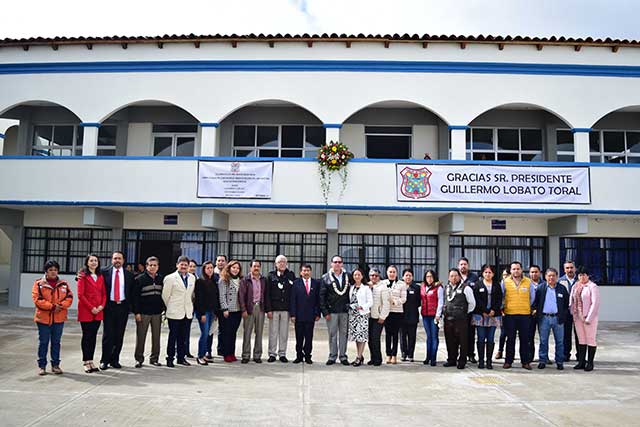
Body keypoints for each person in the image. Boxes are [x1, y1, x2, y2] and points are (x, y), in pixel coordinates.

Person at [33, 260, 73, 375]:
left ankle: (55, 365)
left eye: (55, 270)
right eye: (50, 270)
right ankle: (42, 366)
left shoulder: (64, 284)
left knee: (56, 342)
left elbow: (69, 298)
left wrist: (60, 306)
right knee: (43, 342)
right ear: (46, 271)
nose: (53, 272)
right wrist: (51, 307)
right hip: (43, 319)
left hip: (59, 318)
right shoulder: (38, 284)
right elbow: (37, 300)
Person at [100, 251, 134, 370]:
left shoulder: (129, 275)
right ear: (111, 260)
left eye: (119, 258)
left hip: (122, 307)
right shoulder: (104, 272)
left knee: (119, 335)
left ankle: (115, 359)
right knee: (108, 335)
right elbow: (89, 273)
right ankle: (104, 360)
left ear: (123, 260)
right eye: (115, 258)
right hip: (109, 307)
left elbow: (132, 292)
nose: (117, 261)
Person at [532, 267, 569, 370]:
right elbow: (536, 303)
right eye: (549, 275)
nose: (551, 277)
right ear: (545, 277)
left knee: (560, 342)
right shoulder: (541, 288)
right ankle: (542, 360)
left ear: (557, 277)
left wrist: (563, 315)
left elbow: (566, 304)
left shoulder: (562, 288)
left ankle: (559, 362)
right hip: (544, 318)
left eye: (553, 275)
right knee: (543, 341)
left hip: (558, 318)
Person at [162, 256, 196, 367]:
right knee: (173, 337)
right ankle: (170, 358)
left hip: (187, 312)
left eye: (186, 265)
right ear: (177, 265)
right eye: (181, 264)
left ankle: (181, 358)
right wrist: (170, 306)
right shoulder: (170, 278)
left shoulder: (192, 278)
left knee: (183, 337)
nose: (184, 266)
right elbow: (165, 296)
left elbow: (190, 295)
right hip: (174, 311)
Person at [502, 261, 536, 370]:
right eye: (513, 269)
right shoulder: (505, 282)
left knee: (525, 339)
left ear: (521, 270)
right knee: (510, 339)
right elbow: (502, 297)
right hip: (510, 315)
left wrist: (526, 306)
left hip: (525, 315)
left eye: (518, 269)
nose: (516, 271)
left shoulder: (528, 282)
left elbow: (532, 298)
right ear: (510, 271)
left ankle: (525, 362)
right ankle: (508, 361)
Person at [132, 256, 165, 368]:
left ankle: (154, 358)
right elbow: (135, 298)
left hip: (157, 313)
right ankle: (139, 359)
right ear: (146, 266)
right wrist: (136, 313)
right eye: (150, 265)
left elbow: (164, 297)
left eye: (155, 265)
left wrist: (163, 311)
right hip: (143, 313)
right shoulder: (139, 279)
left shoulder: (161, 279)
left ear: (158, 267)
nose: (152, 267)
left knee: (156, 337)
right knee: (141, 337)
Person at [320, 254, 351, 366]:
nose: (337, 264)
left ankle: (343, 356)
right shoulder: (325, 278)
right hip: (331, 311)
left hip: (344, 311)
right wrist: (325, 312)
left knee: (344, 334)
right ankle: (332, 356)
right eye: (335, 262)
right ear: (331, 263)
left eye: (339, 262)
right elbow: (322, 296)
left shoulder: (348, 276)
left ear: (342, 264)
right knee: (332, 334)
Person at [77, 254, 106, 373]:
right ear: (87, 263)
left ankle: (91, 360)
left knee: (93, 336)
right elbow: (80, 295)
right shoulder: (82, 276)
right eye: (91, 261)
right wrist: (91, 307)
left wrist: (101, 306)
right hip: (86, 311)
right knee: (87, 336)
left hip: (98, 311)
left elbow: (104, 293)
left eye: (96, 260)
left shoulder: (100, 276)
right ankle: (85, 361)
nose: (94, 262)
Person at [443, 268, 476, 369]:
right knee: (450, 340)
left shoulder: (466, 288)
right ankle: (451, 359)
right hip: (448, 319)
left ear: (459, 276)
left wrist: (463, 313)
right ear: (449, 277)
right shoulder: (447, 287)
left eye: (456, 276)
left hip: (461, 320)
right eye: (451, 276)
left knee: (463, 341)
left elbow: (472, 304)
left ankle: (462, 361)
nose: (453, 278)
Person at [265, 254, 295, 363]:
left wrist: (293, 312)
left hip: (286, 309)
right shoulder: (270, 276)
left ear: (286, 264)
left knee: (284, 333)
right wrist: (268, 310)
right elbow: (267, 294)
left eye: (284, 262)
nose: (282, 264)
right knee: (273, 332)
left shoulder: (291, 275)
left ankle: (282, 353)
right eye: (280, 262)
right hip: (274, 309)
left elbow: (293, 295)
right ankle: (272, 354)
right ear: (276, 264)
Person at [472, 264, 503, 369]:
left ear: (493, 274)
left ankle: (489, 361)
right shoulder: (477, 285)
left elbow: (499, 299)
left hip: (494, 315)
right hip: (480, 315)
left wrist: (493, 310)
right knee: (481, 338)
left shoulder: (497, 285)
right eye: (486, 272)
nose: (488, 274)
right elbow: (476, 300)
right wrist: (485, 311)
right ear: (482, 273)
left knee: (490, 338)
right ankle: (481, 361)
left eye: (490, 272)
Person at [289, 263, 321, 364]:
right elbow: (293, 300)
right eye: (304, 270)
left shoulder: (316, 283)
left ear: (310, 272)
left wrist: (317, 313)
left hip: (311, 316)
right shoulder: (296, 283)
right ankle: (299, 355)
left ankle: (308, 356)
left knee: (309, 337)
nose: (306, 272)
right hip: (298, 316)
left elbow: (318, 300)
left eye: (308, 270)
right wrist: (292, 314)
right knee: (299, 337)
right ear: (300, 272)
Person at [570, 267, 600, 372]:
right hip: (578, 317)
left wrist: (589, 317)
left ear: (588, 275)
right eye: (580, 275)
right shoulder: (575, 286)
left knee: (590, 339)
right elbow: (572, 301)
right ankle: (581, 362)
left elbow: (595, 303)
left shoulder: (592, 287)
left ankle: (590, 362)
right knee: (581, 340)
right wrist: (573, 314)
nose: (582, 277)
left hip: (589, 318)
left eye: (584, 275)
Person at [239, 259, 266, 364]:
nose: (256, 268)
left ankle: (257, 355)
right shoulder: (245, 280)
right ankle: (246, 355)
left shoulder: (263, 280)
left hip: (260, 308)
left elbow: (266, 295)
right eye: (254, 266)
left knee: (259, 333)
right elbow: (241, 296)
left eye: (258, 266)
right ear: (250, 267)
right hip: (249, 309)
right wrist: (243, 309)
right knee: (247, 332)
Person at [194, 261, 220, 365]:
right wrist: (202, 314)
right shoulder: (200, 281)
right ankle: (200, 356)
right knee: (204, 334)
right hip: (204, 312)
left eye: (211, 268)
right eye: (207, 268)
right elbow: (199, 299)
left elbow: (216, 298)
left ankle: (205, 354)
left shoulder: (213, 281)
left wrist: (216, 313)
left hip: (212, 311)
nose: (210, 270)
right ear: (204, 269)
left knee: (209, 334)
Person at [218, 260, 243, 362]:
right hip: (228, 311)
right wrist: (225, 308)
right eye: (234, 267)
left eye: (237, 268)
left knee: (233, 333)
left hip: (238, 310)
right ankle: (226, 353)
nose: (235, 270)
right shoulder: (224, 280)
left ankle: (232, 353)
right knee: (227, 333)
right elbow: (222, 295)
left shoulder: (240, 280)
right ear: (229, 268)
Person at [348, 268, 373, 366]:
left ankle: (358, 357)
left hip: (362, 315)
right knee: (356, 337)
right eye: (355, 275)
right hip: (353, 315)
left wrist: (362, 307)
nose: (357, 277)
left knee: (362, 337)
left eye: (359, 275)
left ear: (362, 276)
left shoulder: (366, 288)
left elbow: (370, 302)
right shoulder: (351, 287)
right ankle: (360, 355)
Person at [383, 265, 406, 364]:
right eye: (390, 272)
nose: (392, 274)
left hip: (397, 312)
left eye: (393, 272)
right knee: (388, 334)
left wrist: (395, 302)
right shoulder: (383, 283)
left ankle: (394, 355)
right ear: (387, 273)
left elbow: (404, 299)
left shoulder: (401, 284)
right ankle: (388, 354)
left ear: (396, 273)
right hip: (387, 312)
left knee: (395, 334)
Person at [367, 268, 390, 366]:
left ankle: (378, 359)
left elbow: (386, 303)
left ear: (379, 276)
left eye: (376, 275)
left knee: (375, 338)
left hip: (378, 317)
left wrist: (383, 316)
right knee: (369, 339)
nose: (374, 277)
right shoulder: (367, 286)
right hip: (368, 316)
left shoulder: (383, 287)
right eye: (372, 275)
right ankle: (372, 358)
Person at [458, 257, 479, 364]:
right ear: (458, 266)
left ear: (468, 266)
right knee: (459, 334)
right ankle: (460, 355)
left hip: (471, 311)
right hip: (459, 312)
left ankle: (470, 354)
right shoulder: (455, 276)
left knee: (471, 333)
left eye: (465, 264)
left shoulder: (474, 277)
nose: (463, 266)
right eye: (461, 264)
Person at [420, 270, 443, 366]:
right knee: (428, 337)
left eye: (431, 276)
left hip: (434, 316)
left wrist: (438, 315)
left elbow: (441, 302)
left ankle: (433, 358)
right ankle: (428, 357)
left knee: (434, 337)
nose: (429, 278)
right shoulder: (423, 287)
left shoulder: (439, 287)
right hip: (425, 315)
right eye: (427, 276)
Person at [400, 268, 421, 362]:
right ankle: (403, 354)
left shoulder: (416, 287)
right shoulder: (399, 286)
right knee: (402, 336)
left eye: (410, 275)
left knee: (412, 336)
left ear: (412, 277)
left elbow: (419, 302)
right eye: (406, 275)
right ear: (403, 277)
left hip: (413, 316)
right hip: (401, 316)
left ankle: (411, 354)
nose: (408, 277)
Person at [559, 260, 578, 362]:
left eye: (571, 267)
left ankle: (580, 355)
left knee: (579, 334)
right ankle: (566, 354)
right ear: (564, 269)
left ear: (575, 268)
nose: (569, 270)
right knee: (566, 334)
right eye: (567, 268)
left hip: (578, 313)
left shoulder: (580, 280)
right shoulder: (560, 281)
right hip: (565, 312)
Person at [527, 264, 544, 363]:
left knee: (543, 337)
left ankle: (543, 357)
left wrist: (537, 309)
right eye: (532, 272)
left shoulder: (545, 284)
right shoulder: (526, 283)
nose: (534, 274)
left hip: (541, 314)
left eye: (536, 272)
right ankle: (529, 356)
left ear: (540, 273)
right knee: (529, 336)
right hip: (529, 314)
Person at [183, 259, 199, 359]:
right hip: (184, 306)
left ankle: (186, 350)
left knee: (187, 329)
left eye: (194, 266)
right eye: (190, 266)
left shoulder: (196, 278)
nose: (192, 268)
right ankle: (180, 349)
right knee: (182, 329)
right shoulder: (184, 278)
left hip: (193, 306)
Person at [214, 254, 228, 356]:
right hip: (213, 307)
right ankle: (207, 351)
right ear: (216, 262)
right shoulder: (211, 274)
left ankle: (221, 350)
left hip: (224, 307)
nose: (221, 262)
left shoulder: (228, 274)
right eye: (219, 261)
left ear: (226, 262)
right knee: (209, 330)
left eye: (223, 261)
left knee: (223, 329)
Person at [495, 268, 510, 360]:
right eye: (504, 275)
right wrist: (501, 310)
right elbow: (499, 299)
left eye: (507, 275)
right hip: (503, 311)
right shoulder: (501, 285)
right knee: (503, 333)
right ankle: (500, 350)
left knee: (511, 334)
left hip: (514, 311)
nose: (505, 277)